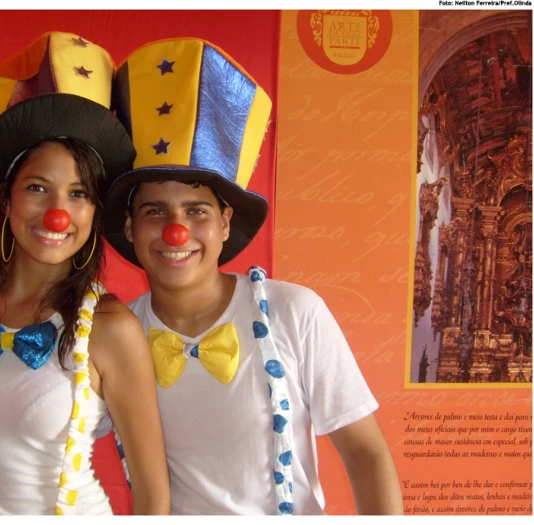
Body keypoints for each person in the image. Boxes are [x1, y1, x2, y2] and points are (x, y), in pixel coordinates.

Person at [101, 37, 404, 515]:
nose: (176, 231)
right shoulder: (115, 335)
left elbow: (365, 453)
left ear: (224, 223)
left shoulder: (293, 311)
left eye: (196, 210)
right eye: (155, 211)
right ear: (129, 228)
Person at [0, 32, 170, 515]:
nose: (58, 213)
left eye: (79, 194)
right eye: (39, 187)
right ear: (6, 197)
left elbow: (152, 497)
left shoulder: (110, 328)